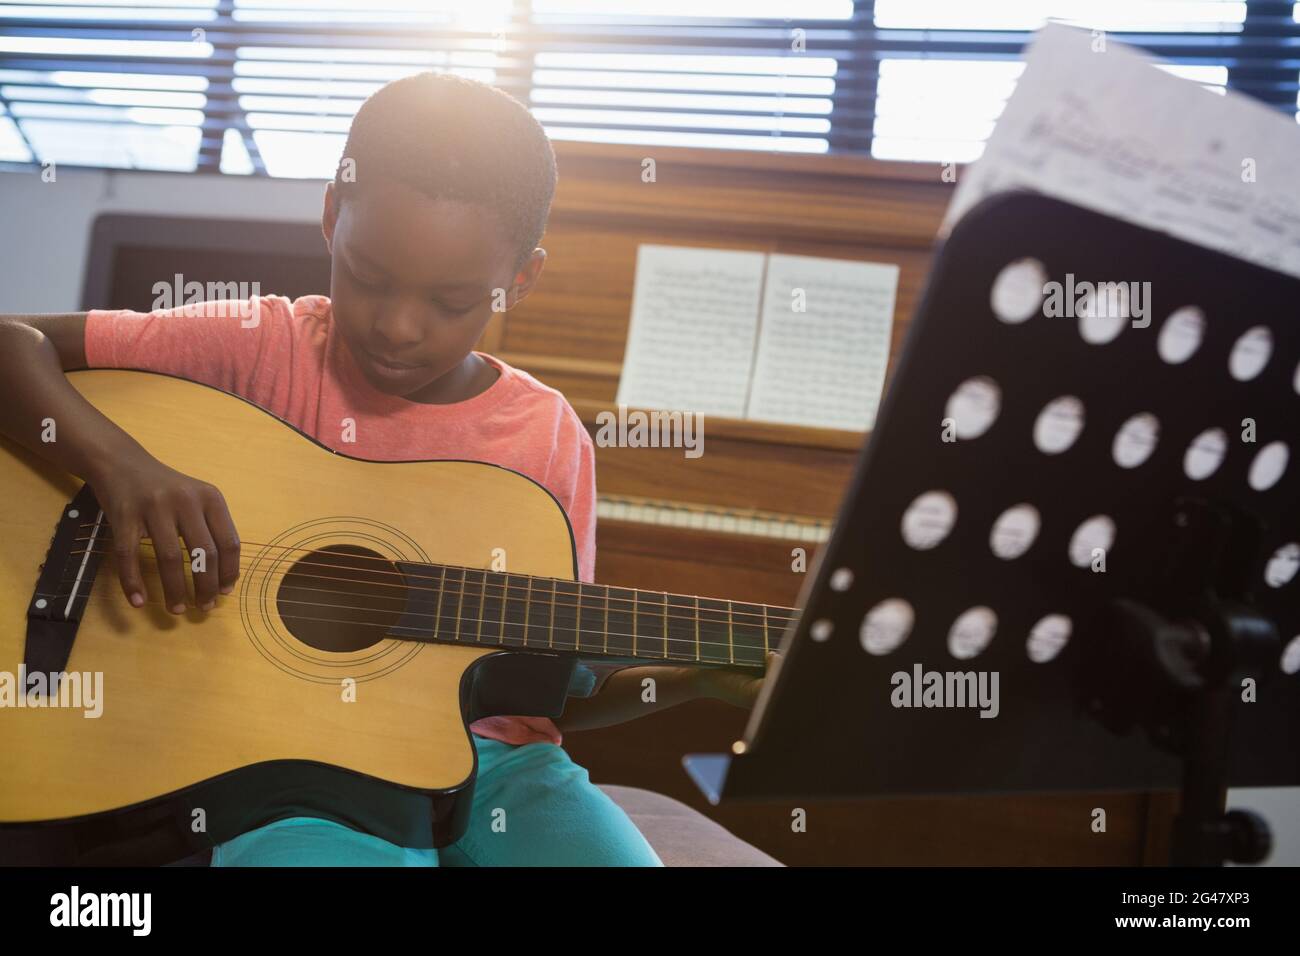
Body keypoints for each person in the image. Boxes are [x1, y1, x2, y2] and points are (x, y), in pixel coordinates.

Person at [0, 72, 766, 866]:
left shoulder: (546, 437)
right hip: (290, 767)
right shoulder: (256, 345)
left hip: (505, 767)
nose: (399, 326)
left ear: (521, 280)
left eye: (451, 301)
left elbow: (544, 682)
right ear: (333, 215)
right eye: (369, 278)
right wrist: (122, 468)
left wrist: (690, 681)